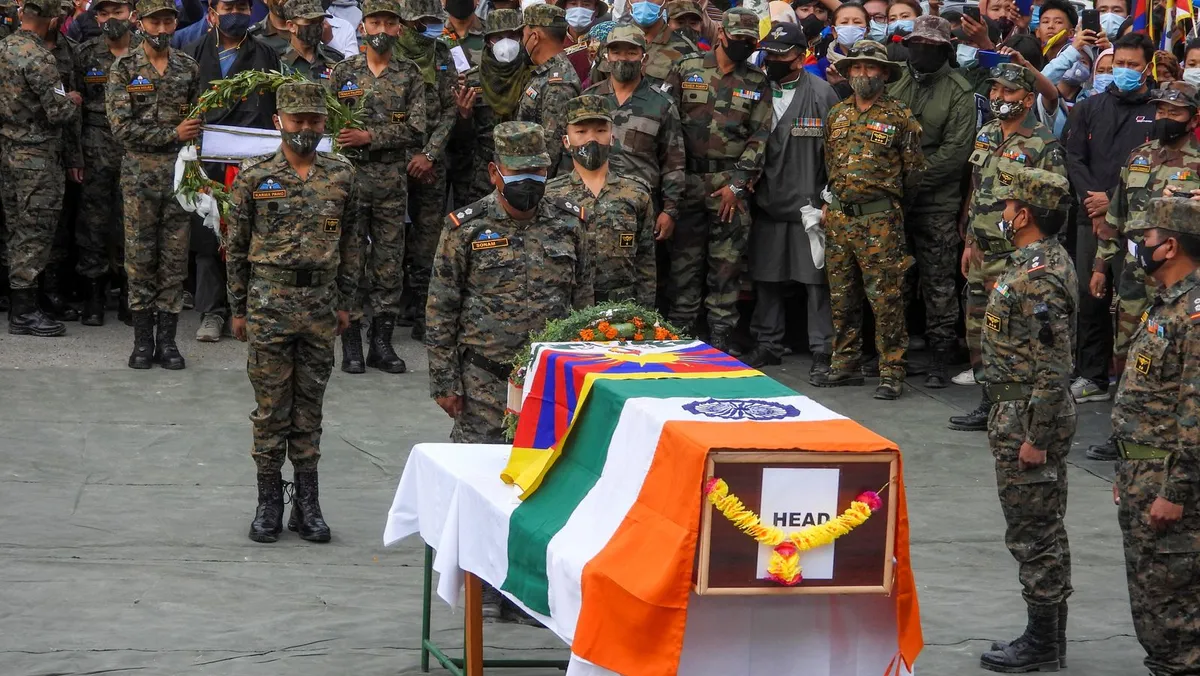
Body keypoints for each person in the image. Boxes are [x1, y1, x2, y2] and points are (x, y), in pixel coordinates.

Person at [227, 81, 361, 545]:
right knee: (270, 408)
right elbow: (235, 246)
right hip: (269, 303)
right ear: (278, 121)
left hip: (321, 304)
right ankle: (268, 502)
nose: (305, 127)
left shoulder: (342, 175)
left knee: (310, 407)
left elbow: (351, 244)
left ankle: (308, 504)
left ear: (325, 123)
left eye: (314, 120)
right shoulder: (254, 176)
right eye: (297, 119)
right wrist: (237, 308)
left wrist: (345, 302)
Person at [976, 169, 1077, 674]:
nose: (1003, 211)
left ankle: (1042, 642)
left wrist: (1037, 436)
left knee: (1033, 534)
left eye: (1009, 204)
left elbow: (1053, 365)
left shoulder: (1040, 277)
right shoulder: (1030, 263)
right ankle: (1049, 638)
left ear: (1025, 215)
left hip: (1027, 417)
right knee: (1041, 530)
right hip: (1015, 411)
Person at [1084, 84, 1200, 462]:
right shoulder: (1138, 157)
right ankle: (1122, 432)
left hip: (1181, 285)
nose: (1165, 119)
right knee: (1127, 353)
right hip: (1134, 276)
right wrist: (1101, 265)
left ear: (1193, 119)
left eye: (1174, 113)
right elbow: (1114, 218)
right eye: (1161, 112)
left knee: (1174, 361)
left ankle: (1173, 440)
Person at [1110, 196, 1200, 676]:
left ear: (1170, 246)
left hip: (1172, 486)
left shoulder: (1194, 314)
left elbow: (1195, 416)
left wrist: (1175, 491)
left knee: (1176, 617)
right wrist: (1127, 468)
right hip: (1144, 474)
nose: (1139, 246)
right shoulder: (1165, 303)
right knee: (1152, 604)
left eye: (1146, 238)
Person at [950, 63, 1067, 431]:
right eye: (995, 90)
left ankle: (1014, 408)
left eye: (1009, 91)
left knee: (1010, 334)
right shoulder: (986, 133)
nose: (999, 97)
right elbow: (977, 189)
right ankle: (990, 401)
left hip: (1016, 256)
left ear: (1028, 99)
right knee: (978, 329)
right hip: (981, 250)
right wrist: (970, 241)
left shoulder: (1043, 143)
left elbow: (1052, 206)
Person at [816, 39, 923, 399]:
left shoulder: (900, 116)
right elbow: (830, 164)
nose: (863, 73)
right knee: (842, 296)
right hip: (840, 219)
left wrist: (889, 206)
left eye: (871, 67)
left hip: (880, 220)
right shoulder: (837, 114)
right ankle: (845, 363)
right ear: (848, 73)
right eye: (857, 67)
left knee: (886, 298)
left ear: (885, 74)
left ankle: (891, 370)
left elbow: (914, 173)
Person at [328, 0, 427, 374]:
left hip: (390, 182)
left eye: (389, 22)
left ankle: (382, 343)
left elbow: (417, 128)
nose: (381, 29)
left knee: (388, 262)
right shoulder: (344, 72)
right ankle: (351, 342)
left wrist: (370, 136)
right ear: (363, 27)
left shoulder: (409, 73)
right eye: (375, 22)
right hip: (351, 180)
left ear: (399, 28)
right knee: (350, 259)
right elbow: (330, 124)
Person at [1063, 32, 1156, 407]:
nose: (1124, 70)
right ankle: (1092, 375)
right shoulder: (1090, 107)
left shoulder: (1157, 111)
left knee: (1136, 301)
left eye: (1133, 65)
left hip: (1137, 222)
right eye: (1120, 63)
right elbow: (1074, 158)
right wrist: (1095, 202)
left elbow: (1153, 166)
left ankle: (1135, 381)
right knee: (1092, 296)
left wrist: (1112, 201)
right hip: (1091, 217)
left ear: (1147, 68)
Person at [670, 8, 770, 350]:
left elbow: (760, 136)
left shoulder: (756, 80)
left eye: (750, 41)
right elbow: (669, 127)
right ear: (722, 35)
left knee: (726, 266)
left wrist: (737, 185)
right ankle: (680, 334)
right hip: (687, 180)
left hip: (729, 183)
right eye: (738, 38)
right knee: (684, 265)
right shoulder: (687, 68)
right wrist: (673, 180)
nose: (744, 45)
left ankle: (721, 337)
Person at [106, 0, 200, 367]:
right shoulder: (124, 68)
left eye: (168, 22)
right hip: (139, 179)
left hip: (178, 178)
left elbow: (197, 124)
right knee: (140, 258)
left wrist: (192, 154)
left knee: (175, 259)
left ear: (176, 23)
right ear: (139, 22)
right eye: (154, 22)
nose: (161, 29)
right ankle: (142, 341)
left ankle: (169, 342)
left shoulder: (187, 67)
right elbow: (121, 129)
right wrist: (172, 134)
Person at [743, 22, 839, 373]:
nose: (772, 60)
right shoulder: (755, 89)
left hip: (808, 206)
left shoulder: (822, 93)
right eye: (768, 53)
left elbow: (838, 152)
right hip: (766, 203)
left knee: (816, 282)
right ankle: (767, 343)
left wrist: (830, 199)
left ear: (800, 58)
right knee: (766, 276)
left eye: (780, 54)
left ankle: (823, 348)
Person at [184, 0, 281, 344]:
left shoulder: (266, 54)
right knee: (209, 235)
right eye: (229, 6)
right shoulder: (192, 53)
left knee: (254, 236)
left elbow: (276, 107)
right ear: (212, 12)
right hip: (207, 160)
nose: (236, 13)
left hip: (252, 163)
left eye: (242, 6)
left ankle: (252, 309)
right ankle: (212, 312)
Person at [886, 15, 974, 387]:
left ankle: (940, 356)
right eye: (916, 45)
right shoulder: (897, 81)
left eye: (930, 47)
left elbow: (956, 153)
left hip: (937, 203)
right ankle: (895, 356)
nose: (921, 51)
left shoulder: (959, 90)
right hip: (895, 201)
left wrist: (909, 178)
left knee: (939, 284)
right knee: (897, 281)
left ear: (945, 51)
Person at [582, 24, 683, 309]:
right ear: (606, 56)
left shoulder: (661, 104)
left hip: (642, 209)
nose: (623, 58)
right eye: (616, 52)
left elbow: (674, 162)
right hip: (592, 205)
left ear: (643, 57)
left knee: (642, 279)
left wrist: (670, 210)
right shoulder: (590, 99)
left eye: (631, 52)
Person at [0, 0, 81, 337]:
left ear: (23, 15)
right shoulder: (40, 57)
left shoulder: (4, 48)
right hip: (37, 158)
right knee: (34, 233)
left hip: (8, 152)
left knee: (15, 228)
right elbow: (59, 112)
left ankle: (20, 302)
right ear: (53, 21)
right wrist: (72, 99)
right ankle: (24, 312)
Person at [545, 95, 655, 305]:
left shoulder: (635, 193)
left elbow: (646, 261)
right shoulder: (550, 196)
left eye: (600, 131)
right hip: (569, 310)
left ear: (612, 137)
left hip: (622, 309)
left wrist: (645, 312)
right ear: (566, 141)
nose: (591, 139)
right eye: (581, 132)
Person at [74, 0, 138, 327]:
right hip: (95, 145)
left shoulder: (145, 53)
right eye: (104, 13)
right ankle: (94, 297)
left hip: (135, 147)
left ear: (131, 14)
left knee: (133, 222)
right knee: (93, 222)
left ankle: (130, 295)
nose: (111, 19)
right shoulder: (84, 55)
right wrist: (75, 155)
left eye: (118, 12)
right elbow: (74, 110)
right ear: (96, 17)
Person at [396, 0, 456, 343]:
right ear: (406, 23)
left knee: (429, 237)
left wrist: (430, 155)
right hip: (393, 160)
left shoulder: (442, 53)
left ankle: (422, 311)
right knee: (388, 236)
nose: (431, 27)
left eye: (435, 20)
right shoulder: (391, 55)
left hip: (432, 161)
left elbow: (450, 110)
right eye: (424, 22)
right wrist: (410, 157)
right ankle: (389, 310)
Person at [456, 8, 528, 206]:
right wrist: (464, 116)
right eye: (498, 38)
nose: (506, 43)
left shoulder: (531, 76)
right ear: (488, 41)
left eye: (512, 36)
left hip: (523, 166)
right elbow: (461, 140)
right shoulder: (473, 80)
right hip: (481, 169)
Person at [42, 0, 84, 324]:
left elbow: (74, 111)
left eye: (65, 12)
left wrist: (74, 156)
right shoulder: (12, 48)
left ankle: (53, 292)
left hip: (57, 150)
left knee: (58, 225)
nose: (59, 18)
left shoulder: (70, 50)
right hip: (19, 148)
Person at [517, 3, 581, 177]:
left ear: (534, 37)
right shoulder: (546, 73)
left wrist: (532, 181)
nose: (521, 42)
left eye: (523, 35)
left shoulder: (557, 83)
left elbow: (552, 147)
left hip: (541, 180)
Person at [280, 0, 342, 81]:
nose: (316, 26)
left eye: (320, 21)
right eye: (311, 22)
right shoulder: (278, 62)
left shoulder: (335, 58)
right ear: (291, 26)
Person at [555, 0, 602, 83]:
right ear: (565, 8)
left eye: (586, 4)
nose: (579, 10)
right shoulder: (554, 41)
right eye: (573, 4)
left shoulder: (605, 43)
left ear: (596, 10)